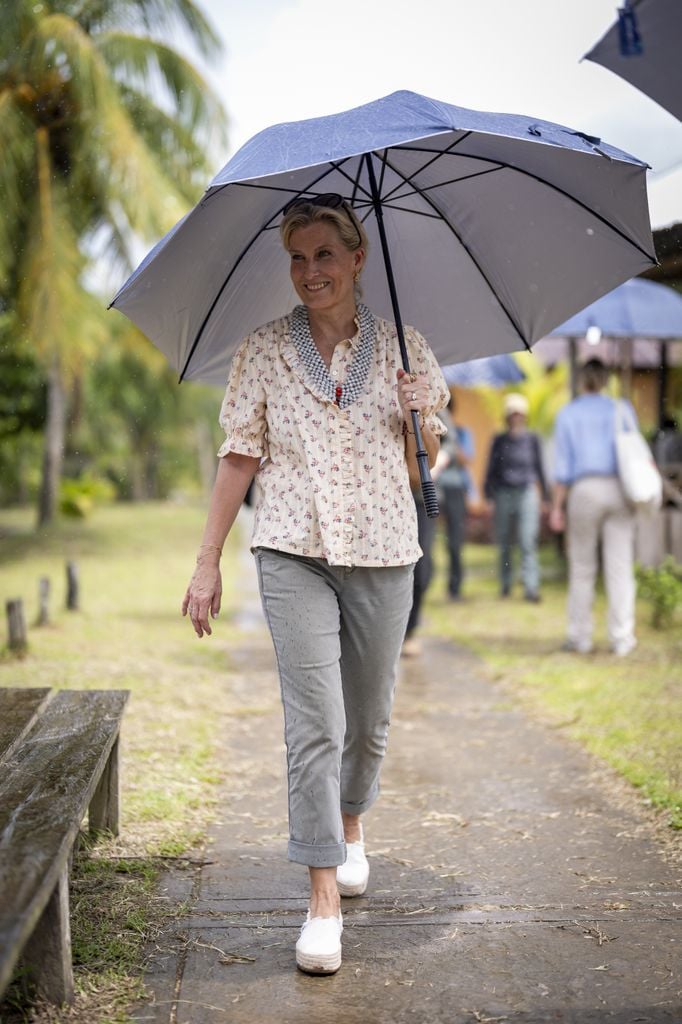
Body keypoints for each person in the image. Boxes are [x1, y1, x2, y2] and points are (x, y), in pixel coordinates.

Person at [181, 194, 449, 975]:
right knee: (315, 725)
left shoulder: (408, 351)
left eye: (325, 255)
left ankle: (352, 821)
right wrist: (208, 560)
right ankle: (322, 900)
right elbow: (238, 457)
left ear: (358, 258)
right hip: (291, 548)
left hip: (384, 550)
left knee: (367, 723)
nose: (310, 272)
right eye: (297, 258)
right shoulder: (262, 349)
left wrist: (418, 419)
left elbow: (421, 469)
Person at [549, 358, 638, 656]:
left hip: (584, 490)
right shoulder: (622, 409)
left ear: (581, 379)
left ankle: (580, 637)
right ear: (605, 379)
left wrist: (557, 508)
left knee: (583, 567)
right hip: (620, 488)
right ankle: (622, 638)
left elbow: (562, 468)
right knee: (620, 566)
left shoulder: (568, 414)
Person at [484, 393, 548, 602]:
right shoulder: (499, 440)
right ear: (507, 416)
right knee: (504, 541)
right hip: (503, 493)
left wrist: (546, 496)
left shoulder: (532, 439)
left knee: (527, 540)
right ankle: (505, 584)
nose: (516, 417)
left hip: (527, 492)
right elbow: (491, 468)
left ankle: (531, 587)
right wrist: (487, 494)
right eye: (513, 413)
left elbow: (540, 468)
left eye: (519, 413)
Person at [437, 395, 475, 600]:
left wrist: (449, 437)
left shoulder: (460, 432)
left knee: (455, 541)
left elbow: (465, 458)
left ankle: (455, 587)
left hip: (455, 489)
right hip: (433, 489)